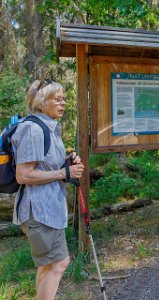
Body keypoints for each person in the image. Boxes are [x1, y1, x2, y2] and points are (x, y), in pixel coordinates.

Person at [12, 79, 84, 300]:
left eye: (64, 99)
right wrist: (65, 173)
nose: (63, 103)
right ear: (42, 102)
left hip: (47, 210)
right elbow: (23, 174)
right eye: (57, 99)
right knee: (58, 263)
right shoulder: (33, 129)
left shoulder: (47, 127)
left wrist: (65, 161)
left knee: (47, 266)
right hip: (40, 212)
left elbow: (42, 163)